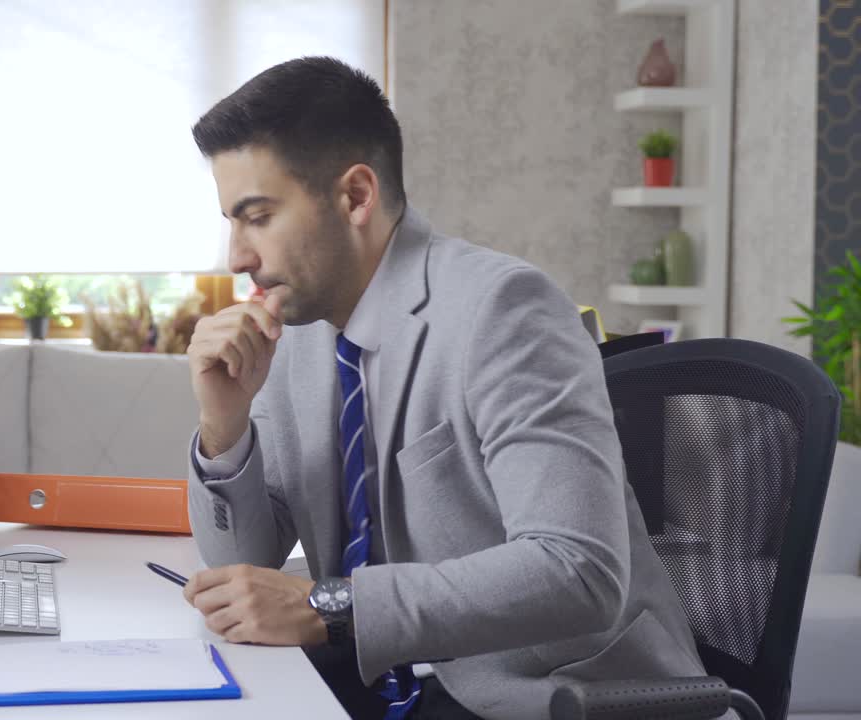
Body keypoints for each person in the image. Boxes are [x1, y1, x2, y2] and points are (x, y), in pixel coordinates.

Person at [181, 57, 708, 720]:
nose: (237, 257)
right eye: (232, 222)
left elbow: (577, 569)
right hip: (381, 681)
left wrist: (329, 605)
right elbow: (241, 566)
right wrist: (224, 427)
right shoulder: (301, 331)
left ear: (355, 197)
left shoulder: (504, 310)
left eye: (257, 217)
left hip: (544, 694)